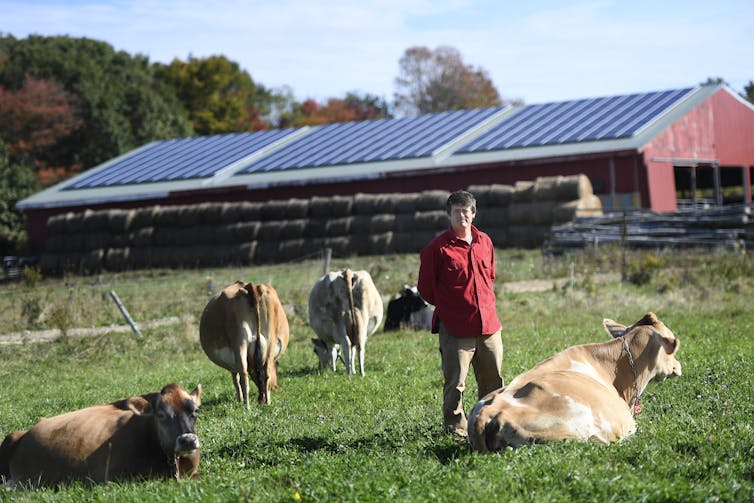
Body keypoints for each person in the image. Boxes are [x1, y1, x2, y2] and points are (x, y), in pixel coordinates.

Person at [417, 190, 504, 437]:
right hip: (455, 329)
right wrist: (452, 308)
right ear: (449, 215)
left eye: (466, 210)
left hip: (488, 326)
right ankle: (456, 431)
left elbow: (490, 278)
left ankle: (491, 426)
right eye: (457, 211)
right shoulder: (437, 249)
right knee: (456, 384)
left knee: (493, 381)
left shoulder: (484, 242)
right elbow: (425, 289)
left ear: (473, 213)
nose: (462, 215)